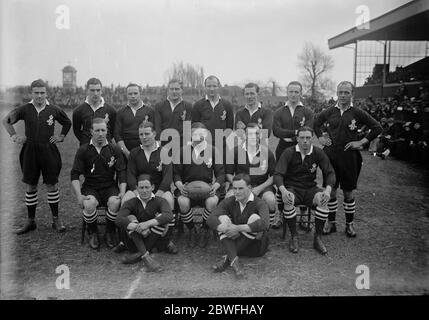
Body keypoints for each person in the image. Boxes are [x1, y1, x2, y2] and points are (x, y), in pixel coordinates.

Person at [2, 79, 72, 234]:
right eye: (36, 93)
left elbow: (67, 123)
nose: (39, 96)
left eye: (42, 93)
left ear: (46, 93)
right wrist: (14, 136)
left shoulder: (53, 109)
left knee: (52, 185)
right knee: (30, 185)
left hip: (49, 150)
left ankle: (56, 219)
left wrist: (61, 136)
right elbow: (6, 121)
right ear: (31, 93)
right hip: (30, 150)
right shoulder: (25, 109)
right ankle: (30, 221)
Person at [314, 81, 382, 237]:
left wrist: (361, 142)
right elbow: (315, 123)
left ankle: (349, 225)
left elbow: (377, 127)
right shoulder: (329, 111)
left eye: (346, 92)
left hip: (349, 158)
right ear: (336, 93)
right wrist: (321, 138)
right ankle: (331, 223)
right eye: (340, 92)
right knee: (330, 192)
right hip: (330, 157)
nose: (343, 95)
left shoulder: (357, 113)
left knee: (348, 193)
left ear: (352, 94)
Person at [116, 121, 177, 254]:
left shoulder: (165, 152)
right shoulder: (134, 152)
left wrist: (156, 196)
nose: (144, 137)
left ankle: (167, 240)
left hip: (159, 189)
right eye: (141, 134)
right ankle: (124, 239)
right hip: (140, 189)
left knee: (169, 200)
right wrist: (137, 193)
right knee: (126, 199)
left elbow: (167, 178)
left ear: (154, 134)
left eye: (147, 133)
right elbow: (130, 175)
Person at [274, 126, 335, 254]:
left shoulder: (318, 152)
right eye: (302, 138)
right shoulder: (289, 152)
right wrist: (284, 191)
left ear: (312, 139)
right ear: (297, 139)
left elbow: (329, 172)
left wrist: (328, 190)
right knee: (288, 199)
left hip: (310, 189)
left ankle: (317, 237)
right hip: (293, 188)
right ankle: (294, 236)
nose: (305, 141)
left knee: (323, 201)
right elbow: (278, 174)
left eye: (308, 138)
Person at [71, 118, 126, 249]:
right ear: (91, 132)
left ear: (107, 131)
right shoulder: (83, 150)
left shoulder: (114, 149)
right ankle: (93, 232)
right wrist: (79, 195)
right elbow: (74, 174)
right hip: (90, 186)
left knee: (115, 202)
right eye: (97, 130)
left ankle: (110, 231)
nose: (100, 133)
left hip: (109, 186)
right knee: (89, 204)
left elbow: (121, 173)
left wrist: (122, 192)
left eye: (103, 130)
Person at [207, 173, 270, 279]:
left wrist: (238, 228)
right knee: (222, 219)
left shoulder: (259, 203)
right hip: (236, 241)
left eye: (241, 188)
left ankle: (228, 259)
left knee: (254, 218)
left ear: (249, 188)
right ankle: (236, 263)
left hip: (255, 246)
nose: (236, 192)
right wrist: (226, 227)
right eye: (234, 188)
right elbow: (210, 219)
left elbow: (265, 224)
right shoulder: (230, 201)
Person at [173, 122, 225, 248]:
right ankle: (191, 230)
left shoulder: (213, 150)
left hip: (207, 188)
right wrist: (180, 186)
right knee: (183, 202)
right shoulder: (183, 151)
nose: (198, 136)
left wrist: (215, 187)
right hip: (187, 187)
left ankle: (204, 229)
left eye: (201, 134)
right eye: (195, 133)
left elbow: (221, 173)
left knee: (212, 202)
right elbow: (176, 174)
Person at [115, 174, 174, 272]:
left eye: (147, 187)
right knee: (130, 218)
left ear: (153, 187)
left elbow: (169, 215)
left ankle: (138, 255)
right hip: (134, 241)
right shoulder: (131, 202)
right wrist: (137, 226)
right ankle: (146, 258)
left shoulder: (160, 201)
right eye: (141, 188)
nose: (144, 190)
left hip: (155, 241)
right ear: (137, 188)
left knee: (161, 218)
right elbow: (118, 219)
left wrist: (147, 224)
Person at [225, 123, 277, 227]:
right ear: (245, 136)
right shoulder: (235, 151)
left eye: (256, 133)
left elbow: (273, 176)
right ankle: (233, 227)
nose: (254, 136)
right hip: (239, 186)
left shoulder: (267, 153)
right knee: (229, 197)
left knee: (270, 199)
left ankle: (266, 228)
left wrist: (259, 188)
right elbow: (229, 174)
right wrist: (240, 187)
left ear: (260, 135)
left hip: (261, 186)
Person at [273, 81, 314, 161]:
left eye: (296, 92)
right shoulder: (278, 112)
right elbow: (276, 131)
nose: (293, 94)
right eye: (291, 92)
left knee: (301, 173)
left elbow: (308, 132)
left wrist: (288, 134)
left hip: (302, 148)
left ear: (300, 93)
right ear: (287, 93)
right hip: (283, 148)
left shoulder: (308, 112)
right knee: (282, 173)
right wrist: (295, 132)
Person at [114, 83, 155, 159]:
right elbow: (117, 135)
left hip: (145, 152)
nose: (133, 96)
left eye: (135, 93)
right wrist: (126, 152)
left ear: (140, 93)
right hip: (125, 153)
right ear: (126, 95)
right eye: (130, 94)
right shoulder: (120, 112)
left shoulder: (150, 111)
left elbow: (154, 133)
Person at [72, 78, 117, 145]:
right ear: (87, 91)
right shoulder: (78, 111)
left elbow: (113, 131)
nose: (95, 93)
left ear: (101, 91)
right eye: (92, 90)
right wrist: (85, 141)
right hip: (86, 149)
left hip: (106, 149)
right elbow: (76, 131)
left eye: (98, 90)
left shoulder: (111, 110)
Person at [191, 75, 234, 140]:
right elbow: (195, 126)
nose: (211, 89)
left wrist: (224, 140)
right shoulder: (198, 105)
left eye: (214, 86)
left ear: (218, 87)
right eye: (209, 86)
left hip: (221, 145)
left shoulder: (227, 105)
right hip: (204, 145)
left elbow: (229, 126)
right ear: (205, 87)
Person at [154, 79, 193, 145]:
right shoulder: (159, 106)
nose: (174, 91)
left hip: (181, 144)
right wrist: (158, 140)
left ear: (181, 90)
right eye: (171, 89)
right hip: (164, 143)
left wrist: (187, 143)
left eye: (177, 89)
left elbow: (187, 127)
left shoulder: (188, 106)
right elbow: (158, 125)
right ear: (168, 90)